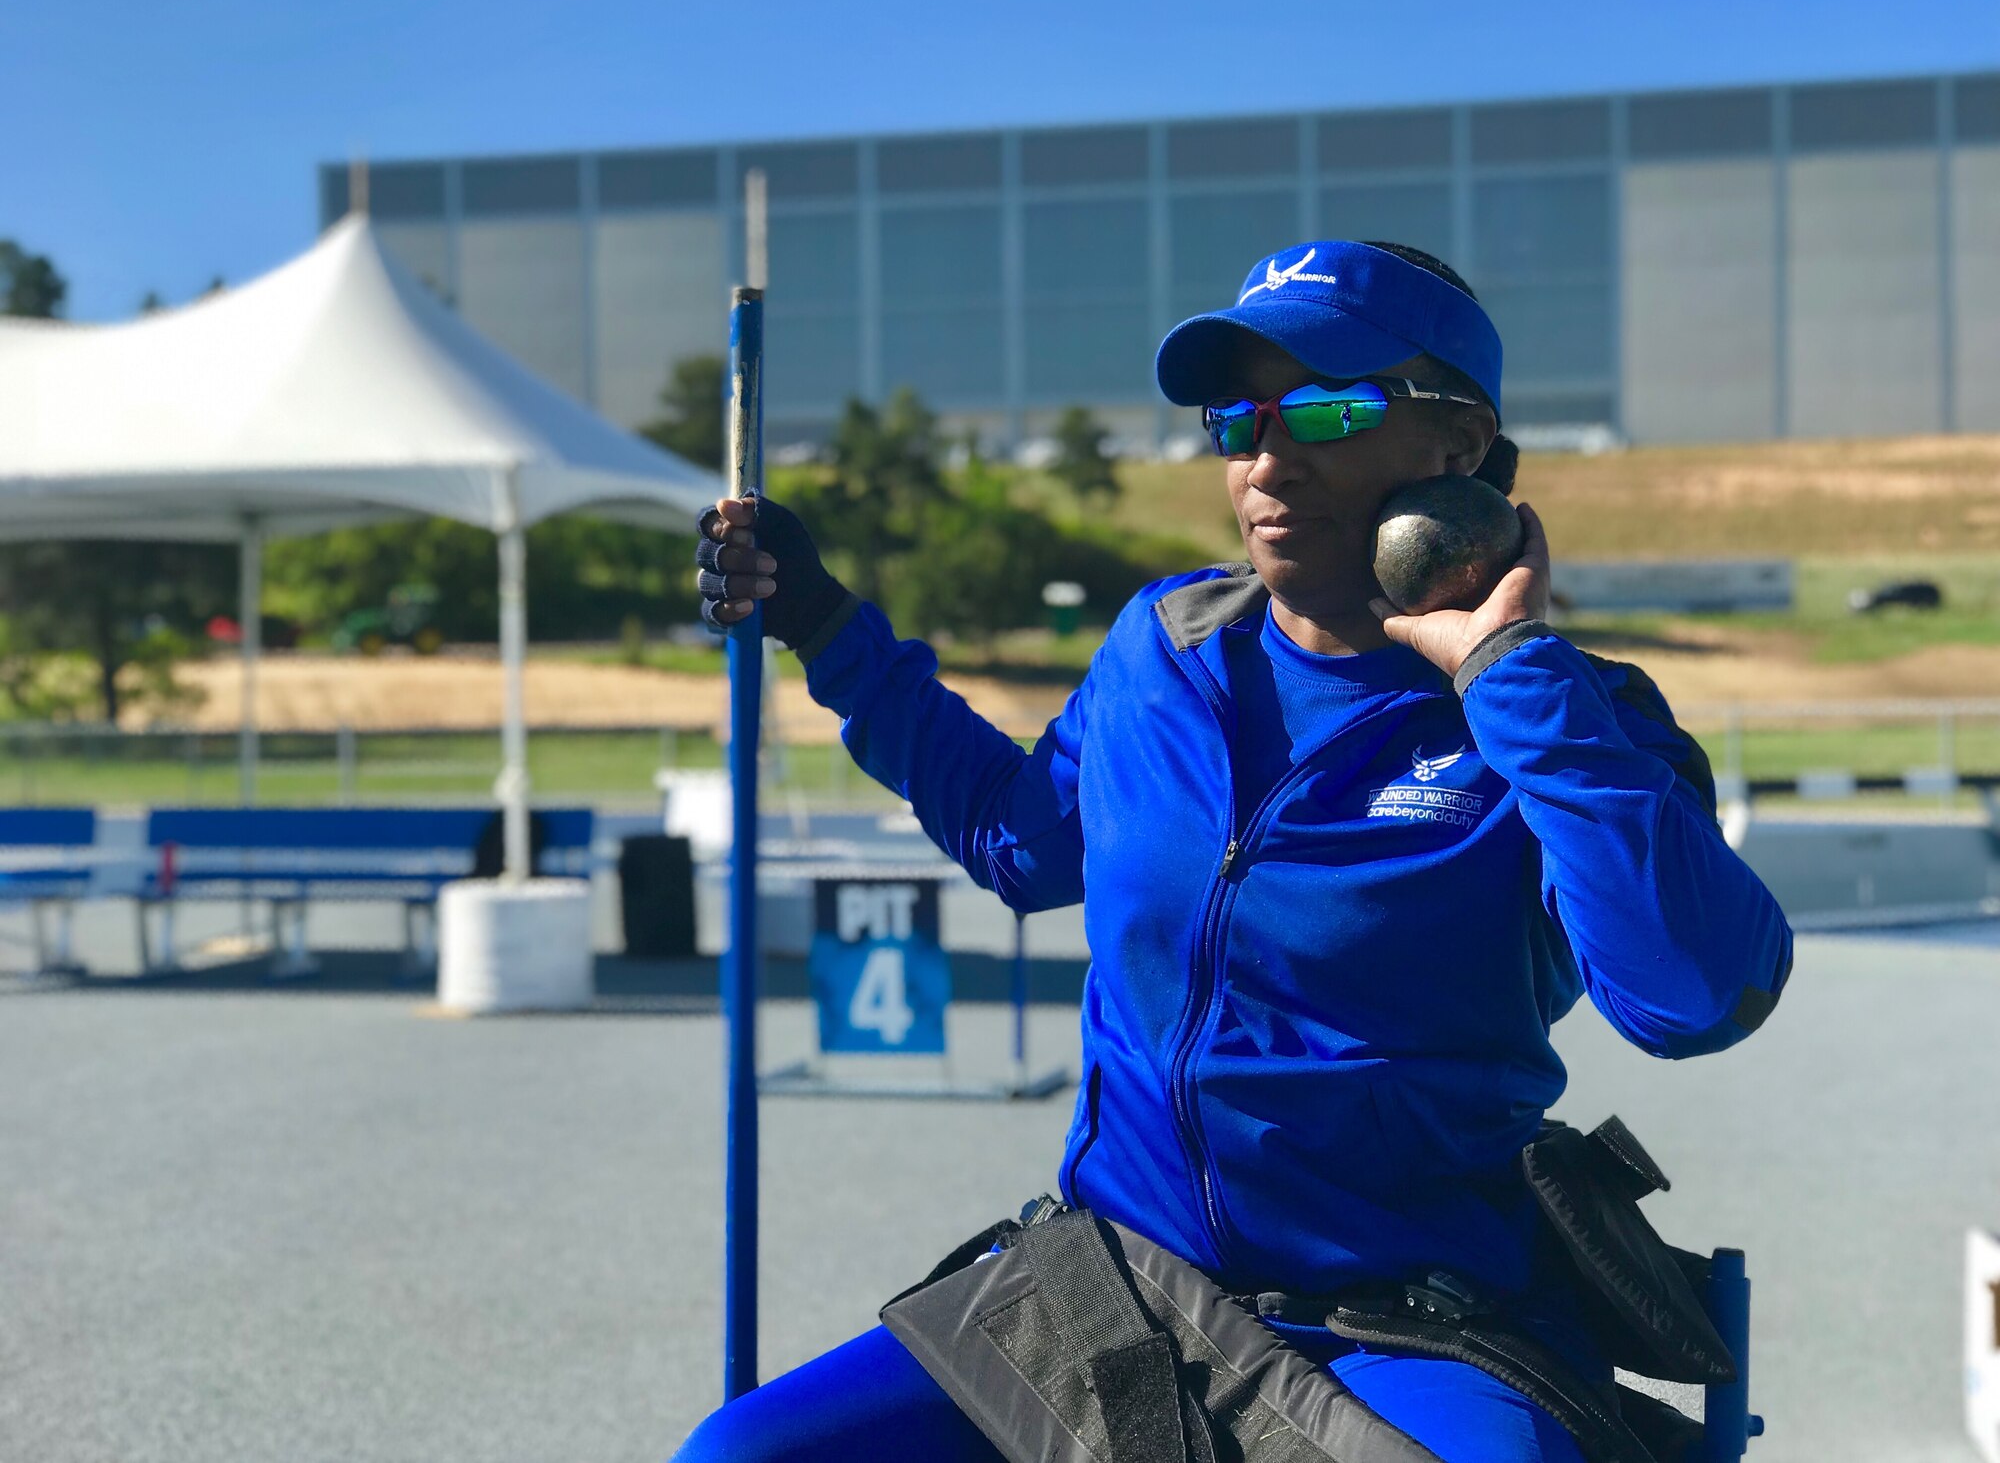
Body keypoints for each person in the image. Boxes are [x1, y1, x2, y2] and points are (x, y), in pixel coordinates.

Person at [677, 240, 1793, 1463]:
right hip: (1112, 1282)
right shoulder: (1158, 643)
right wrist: (826, 626)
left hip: (1408, 1327)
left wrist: (1508, 679)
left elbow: (1690, 1000)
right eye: (1237, 419)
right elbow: (1017, 843)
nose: (1268, 459)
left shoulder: (1579, 719)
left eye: (1326, 405)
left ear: (1459, 446)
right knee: (736, 1456)